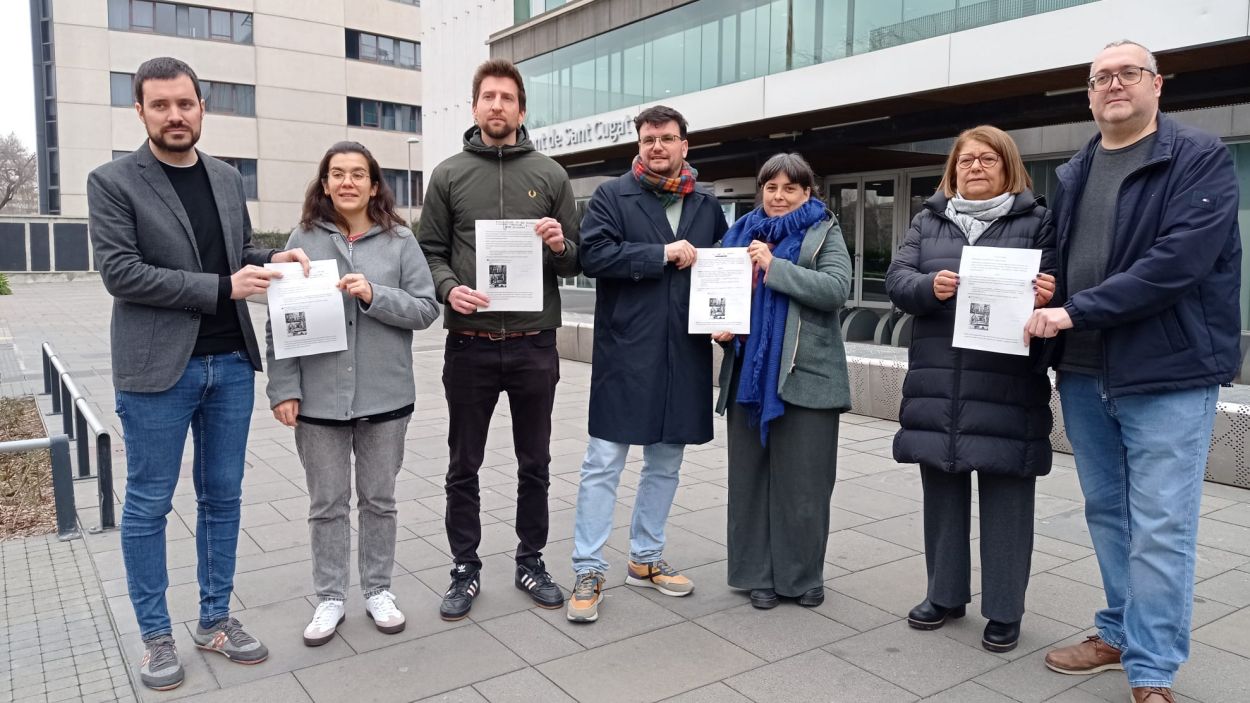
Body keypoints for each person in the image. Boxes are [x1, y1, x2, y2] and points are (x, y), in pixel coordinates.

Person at [1026, 40, 1241, 703]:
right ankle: (1119, 629)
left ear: (1157, 85)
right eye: (1101, 77)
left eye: (1128, 73)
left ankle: (1151, 670)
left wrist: (1073, 311)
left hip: (1166, 373)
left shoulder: (1198, 159)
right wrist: (1041, 288)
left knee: (1161, 525)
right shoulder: (1076, 170)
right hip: (1087, 373)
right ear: (1090, 96)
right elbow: (1062, 254)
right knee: (1109, 515)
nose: (1113, 84)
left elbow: (1176, 263)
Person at [87, 57, 310, 691]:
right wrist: (223, 286)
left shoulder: (224, 176)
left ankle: (215, 620)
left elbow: (235, 255)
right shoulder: (112, 182)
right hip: (158, 370)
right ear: (140, 111)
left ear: (202, 107)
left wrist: (276, 260)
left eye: (185, 103)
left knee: (223, 499)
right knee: (149, 505)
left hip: (231, 366)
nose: (175, 115)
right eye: (160, 105)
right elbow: (121, 274)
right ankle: (156, 635)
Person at [418, 58, 581, 621]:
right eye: (487, 96)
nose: (496, 106)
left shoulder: (553, 175)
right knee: (463, 463)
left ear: (521, 109)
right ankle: (465, 568)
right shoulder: (448, 175)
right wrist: (447, 289)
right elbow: (429, 251)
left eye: (506, 98)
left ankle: (530, 560)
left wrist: (560, 245)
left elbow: (575, 260)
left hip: (535, 343)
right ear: (474, 107)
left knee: (535, 460)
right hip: (471, 342)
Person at [885, 125, 1057, 653]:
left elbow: (1061, 287)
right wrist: (927, 288)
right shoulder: (928, 219)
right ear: (952, 168)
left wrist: (1050, 292)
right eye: (965, 160)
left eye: (987, 159)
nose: (975, 168)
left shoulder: (1038, 222)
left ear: (1008, 167)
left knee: (1007, 496)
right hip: (938, 381)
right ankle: (944, 594)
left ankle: (1005, 609)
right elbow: (897, 279)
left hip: (1006, 383)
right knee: (941, 489)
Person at [265, 142, 439, 646]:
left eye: (357, 174)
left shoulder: (400, 240)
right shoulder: (301, 240)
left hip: (385, 396)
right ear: (324, 185)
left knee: (379, 499)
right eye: (337, 174)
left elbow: (427, 310)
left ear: (373, 184)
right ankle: (330, 596)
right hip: (318, 398)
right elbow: (280, 320)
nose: (347, 182)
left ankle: (378, 589)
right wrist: (283, 387)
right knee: (327, 503)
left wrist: (373, 295)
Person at [565, 106, 728, 623]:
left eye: (668, 138)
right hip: (627, 351)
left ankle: (646, 557)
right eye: (648, 138)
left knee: (665, 462)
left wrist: (728, 318)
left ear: (686, 145)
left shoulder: (706, 206)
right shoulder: (614, 196)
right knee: (604, 462)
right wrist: (660, 254)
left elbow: (718, 271)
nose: (657, 146)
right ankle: (589, 567)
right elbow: (594, 257)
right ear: (639, 144)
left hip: (684, 352)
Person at [713, 153, 852, 610]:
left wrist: (774, 267)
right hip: (749, 378)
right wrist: (723, 326)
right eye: (771, 187)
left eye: (790, 188)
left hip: (806, 375)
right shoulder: (737, 235)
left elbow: (836, 289)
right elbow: (722, 296)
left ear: (807, 192)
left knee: (805, 483)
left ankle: (802, 575)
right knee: (750, 481)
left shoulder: (824, 232)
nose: (779, 197)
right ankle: (758, 576)